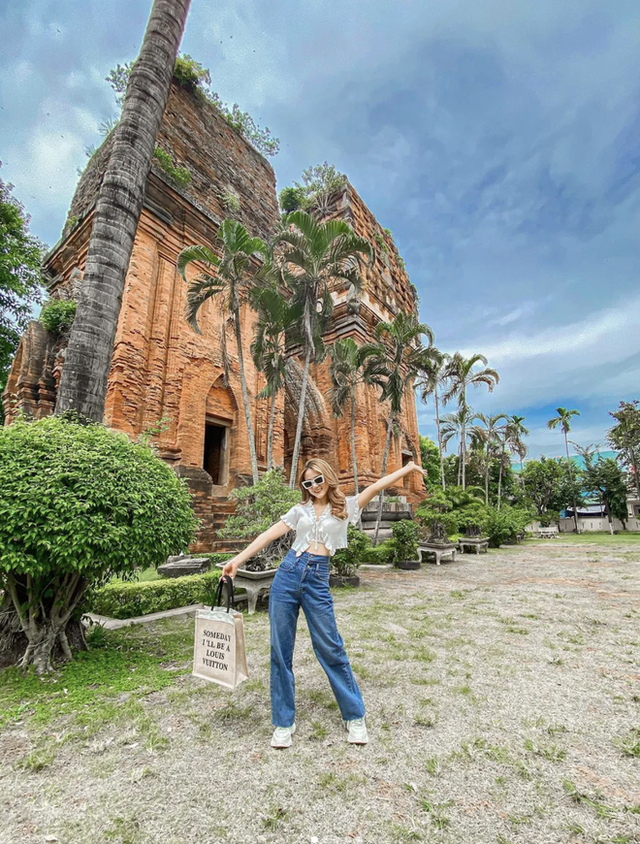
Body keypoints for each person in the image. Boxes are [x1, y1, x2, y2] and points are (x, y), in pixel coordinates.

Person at [221, 457, 429, 748]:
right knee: (280, 650)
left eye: (318, 479)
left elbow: (378, 485)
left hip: (318, 578)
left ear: (328, 478)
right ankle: (283, 722)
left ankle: (354, 716)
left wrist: (407, 470)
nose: (314, 486)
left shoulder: (347, 506)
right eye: (308, 482)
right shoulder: (299, 510)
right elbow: (269, 534)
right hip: (288, 574)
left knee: (330, 646)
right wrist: (236, 560)